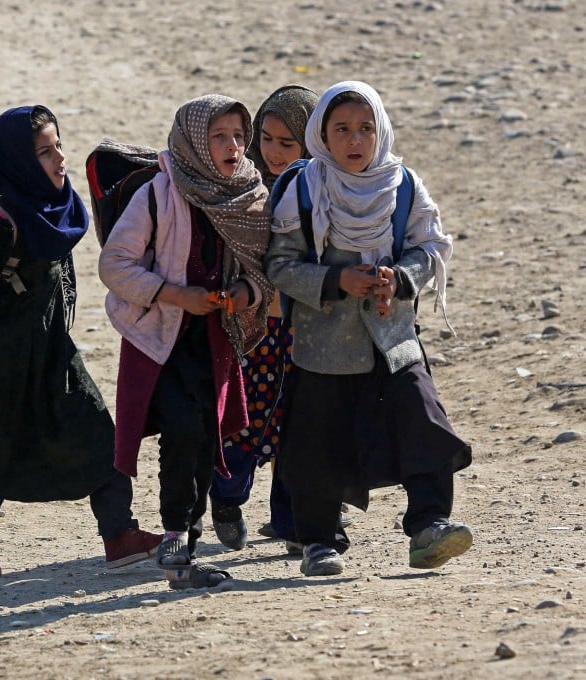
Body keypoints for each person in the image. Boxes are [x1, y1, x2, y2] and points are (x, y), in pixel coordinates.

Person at [0, 105, 161, 578]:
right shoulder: (0, 224)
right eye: (44, 152)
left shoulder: (53, 211)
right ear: (20, 163)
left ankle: (120, 536)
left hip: (51, 354)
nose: (58, 158)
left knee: (100, 438)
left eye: (58, 145)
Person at [265, 81, 473, 577]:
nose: (355, 140)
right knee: (318, 439)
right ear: (323, 135)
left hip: (392, 337)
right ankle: (319, 543)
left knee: (422, 420)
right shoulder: (304, 189)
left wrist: (399, 279)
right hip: (323, 344)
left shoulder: (402, 184)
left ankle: (429, 527)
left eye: (365, 128)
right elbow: (280, 265)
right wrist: (337, 279)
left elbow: (430, 248)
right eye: (343, 129)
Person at [99, 94, 274, 588]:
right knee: (182, 436)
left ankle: (187, 545)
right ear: (195, 141)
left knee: (203, 444)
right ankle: (177, 550)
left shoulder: (250, 197)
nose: (233, 146)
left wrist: (245, 292)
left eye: (240, 135)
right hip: (160, 341)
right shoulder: (160, 193)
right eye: (219, 136)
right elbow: (115, 266)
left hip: (215, 345)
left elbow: (266, 271)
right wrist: (176, 295)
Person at [209, 85, 320, 554]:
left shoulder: (325, 190)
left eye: (287, 143)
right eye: (267, 139)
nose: (273, 152)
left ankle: (293, 523)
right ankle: (227, 501)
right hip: (254, 331)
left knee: (298, 426)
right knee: (246, 423)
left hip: (309, 329)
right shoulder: (241, 189)